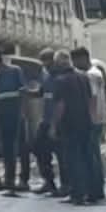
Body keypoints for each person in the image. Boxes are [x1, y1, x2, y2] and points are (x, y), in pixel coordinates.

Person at [51, 49, 96, 205]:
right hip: (86, 123)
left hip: (69, 124)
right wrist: (92, 119)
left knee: (72, 160)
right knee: (86, 157)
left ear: (58, 64)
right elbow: (91, 100)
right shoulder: (84, 77)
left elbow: (60, 105)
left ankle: (77, 194)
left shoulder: (60, 81)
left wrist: (53, 126)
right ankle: (91, 192)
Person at [0, 50, 26, 196]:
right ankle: (10, 181)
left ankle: (23, 179)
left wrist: (22, 112)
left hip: (16, 114)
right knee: (8, 150)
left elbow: (22, 91)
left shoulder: (15, 71)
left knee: (21, 148)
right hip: (3, 117)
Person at [71, 45, 106, 203]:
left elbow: (91, 98)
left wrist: (90, 119)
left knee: (91, 156)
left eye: (75, 61)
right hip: (99, 118)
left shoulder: (91, 75)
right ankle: (96, 189)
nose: (74, 65)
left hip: (93, 119)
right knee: (94, 155)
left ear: (82, 58)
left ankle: (94, 190)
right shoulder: (97, 72)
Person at [32, 48, 61, 196]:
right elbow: (42, 92)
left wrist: (55, 125)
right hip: (46, 120)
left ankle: (67, 184)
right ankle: (49, 182)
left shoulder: (61, 77)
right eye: (44, 63)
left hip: (58, 121)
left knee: (62, 154)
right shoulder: (46, 76)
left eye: (49, 63)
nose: (46, 66)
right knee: (39, 148)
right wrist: (28, 92)